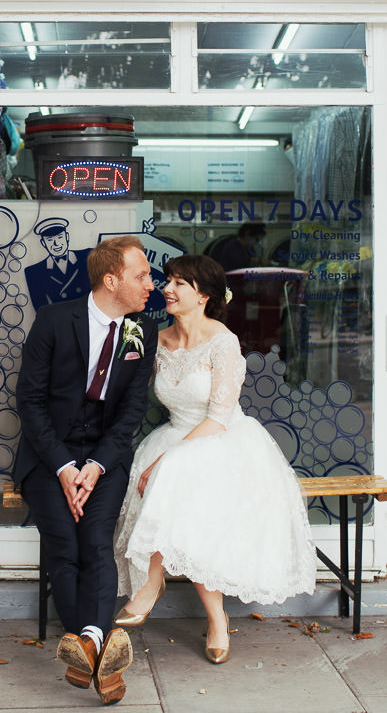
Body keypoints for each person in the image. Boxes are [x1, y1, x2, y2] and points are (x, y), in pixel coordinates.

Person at [112, 254, 314, 664]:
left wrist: (165, 461)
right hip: (174, 433)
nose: (166, 288)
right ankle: (168, 590)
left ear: (202, 295)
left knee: (185, 491)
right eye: (167, 280)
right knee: (173, 488)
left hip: (220, 439)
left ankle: (187, 604)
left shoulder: (223, 342)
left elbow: (219, 418)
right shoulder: (158, 339)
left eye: (179, 283)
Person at [15, 234, 159, 705]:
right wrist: (61, 467)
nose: (151, 285)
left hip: (105, 456)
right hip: (47, 456)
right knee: (64, 545)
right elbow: (30, 402)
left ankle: (87, 645)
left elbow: (132, 410)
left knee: (96, 541)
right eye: (142, 276)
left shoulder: (143, 330)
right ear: (111, 279)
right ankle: (101, 652)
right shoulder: (55, 321)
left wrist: (94, 466)